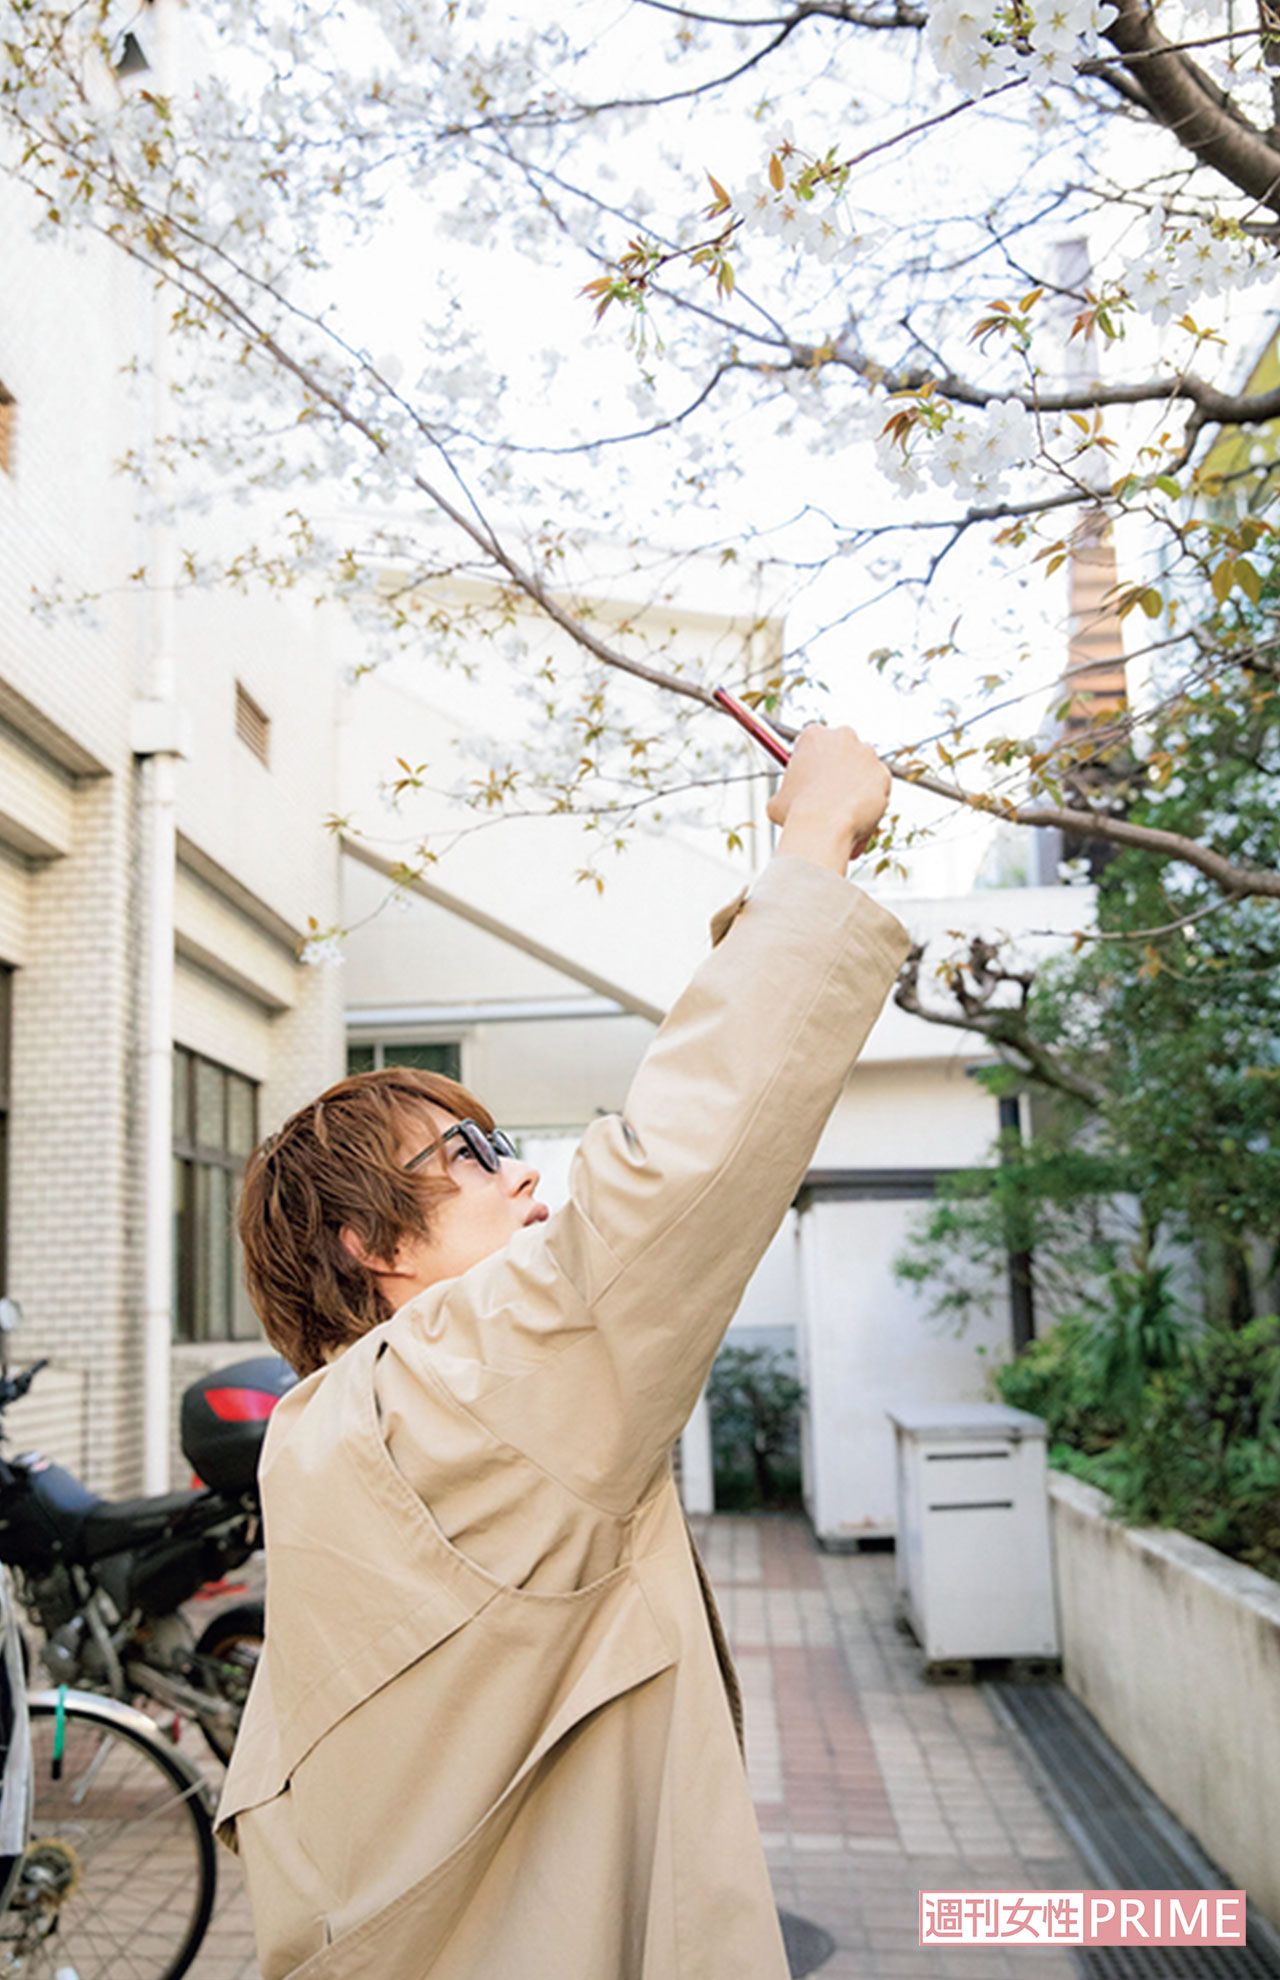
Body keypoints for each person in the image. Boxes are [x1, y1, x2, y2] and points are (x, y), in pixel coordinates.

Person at [218, 724, 910, 1980]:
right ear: (370, 1243)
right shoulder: (458, 1389)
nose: (521, 1170)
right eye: (468, 1159)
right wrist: (811, 846)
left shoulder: (327, 1427)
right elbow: (672, 1178)